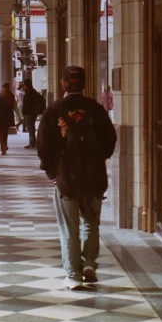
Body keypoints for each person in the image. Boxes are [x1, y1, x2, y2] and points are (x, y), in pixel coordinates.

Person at [37, 65, 117, 290]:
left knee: (69, 227)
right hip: (93, 176)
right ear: (83, 84)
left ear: (63, 84)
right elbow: (110, 140)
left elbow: (43, 147)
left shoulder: (53, 111)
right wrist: (97, 160)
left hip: (67, 179)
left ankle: (73, 275)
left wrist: (54, 174)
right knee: (91, 222)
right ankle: (90, 263)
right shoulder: (96, 109)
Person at [0, 81, 22, 155]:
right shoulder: (11, 96)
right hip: (8, 116)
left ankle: (3, 147)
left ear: (2, 87)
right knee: (5, 132)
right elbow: (15, 107)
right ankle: (4, 145)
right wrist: (19, 116)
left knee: (0, 133)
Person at [22, 78, 46, 149]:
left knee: (30, 128)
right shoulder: (33, 91)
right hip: (32, 113)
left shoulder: (29, 93)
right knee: (31, 127)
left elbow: (27, 104)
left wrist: (25, 111)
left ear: (26, 85)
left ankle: (32, 143)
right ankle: (33, 142)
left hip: (29, 113)